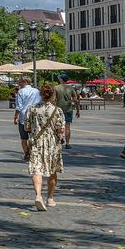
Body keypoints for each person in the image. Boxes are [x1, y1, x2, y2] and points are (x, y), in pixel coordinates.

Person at [25, 83, 66, 211]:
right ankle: (50, 198)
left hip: (37, 142)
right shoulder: (57, 110)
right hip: (52, 144)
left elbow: (27, 127)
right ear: (53, 95)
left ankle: (38, 196)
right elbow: (61, 130)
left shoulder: (32, 109)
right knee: (52, 171)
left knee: (37, 170)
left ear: (41, 95)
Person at [14, 77, 41, 163]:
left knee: (24, 138)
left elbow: (19, 106)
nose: (18, 84)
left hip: (23, 116)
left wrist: (15, 117)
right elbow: (40, 103)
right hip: (35, 115)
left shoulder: (21, 91)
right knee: (33, 137)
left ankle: (26, 154)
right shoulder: (36, 91)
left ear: (25, 82)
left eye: (20, 82)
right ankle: (33, 154)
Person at [53, 75, 78, 150]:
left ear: (61, 79)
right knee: (67, 126)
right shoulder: (71, 88)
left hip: (58, 109)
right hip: (68, 109)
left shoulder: (56, 88)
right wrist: (78, 110)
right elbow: (75, 100)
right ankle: (67, 143)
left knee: (57, 125)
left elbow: (53, 99)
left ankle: (60, 138)